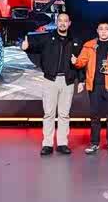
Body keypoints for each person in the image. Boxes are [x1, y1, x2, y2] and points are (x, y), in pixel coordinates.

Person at [21, 12, 84, 156]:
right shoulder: (47, 38)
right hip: (50, 81)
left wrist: (81, 80)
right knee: (49, 114)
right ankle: (47, 144)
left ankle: (62, 144)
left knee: (64, 114)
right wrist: (26, 47)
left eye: (65, 21)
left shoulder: (75, 41)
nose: (62, 23)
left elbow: (80, 63)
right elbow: (33, 46)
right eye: (60, 20)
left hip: (67, 82)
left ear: (69, 23)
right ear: (56, 22)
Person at [72, 19, 108, 155]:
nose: (103, 31)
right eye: (101, 29)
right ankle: (94, 143)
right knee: (95, 116)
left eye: (106, 29)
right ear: (97, 31)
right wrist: (75, 61)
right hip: (94, 86)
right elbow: (81, 62)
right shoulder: (89, 45)